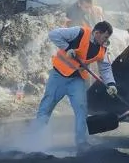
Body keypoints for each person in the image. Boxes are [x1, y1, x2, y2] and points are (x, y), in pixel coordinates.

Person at [31, 21, 118, 153]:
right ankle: (36, 140)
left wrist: (111, 84)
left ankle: (81, 143)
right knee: (46, 107)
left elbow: (105, 68)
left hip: (77, 80)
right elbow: (53, 34)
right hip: (58, 77)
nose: (106, 40)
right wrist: (67, 48)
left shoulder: (103, 49)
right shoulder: (79, 32)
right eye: (105, 37)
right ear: (97, 33)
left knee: (81, 110)